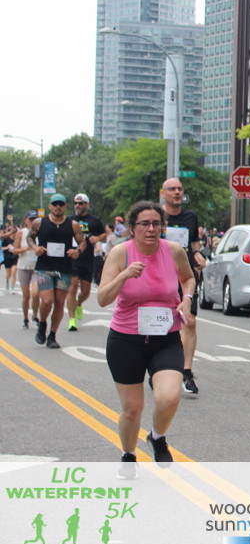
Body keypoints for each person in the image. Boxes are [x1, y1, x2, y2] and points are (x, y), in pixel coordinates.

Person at [97, 201, 196, 478]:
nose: (151, 229)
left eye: (156, 224)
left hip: (165, 338)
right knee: (132, 409)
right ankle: (129, 455)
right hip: (125, 340)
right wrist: (124, 275)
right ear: (132, 229)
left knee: (169, 396)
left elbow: (188, 278)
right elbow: (103, 298)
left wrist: (187, 300)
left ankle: (157, 436)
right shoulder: (121, 253)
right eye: (145, 224)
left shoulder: (173, 251)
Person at [161, 178, 202, 395]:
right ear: (163, 193)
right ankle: (159, 367)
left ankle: (186, 372)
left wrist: (198, 254)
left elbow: (193, 243)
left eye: (179, 189)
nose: (177, 192)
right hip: (160, 275)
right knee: (163, 323)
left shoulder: (190, 217)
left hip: (185, 275)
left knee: (190, 321)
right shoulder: (156, 216)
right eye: (172, 189)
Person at [30, 194, 85, 349]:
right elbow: (30, 237)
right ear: (50, 206)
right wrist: (35, 247)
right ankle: (42, 324)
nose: (58, 207)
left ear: (65, 207)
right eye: (55, 204)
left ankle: (52, 336)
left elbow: (82, 242)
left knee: (60, 303)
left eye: (61, 204)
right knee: (47, 301)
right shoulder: (39, 222)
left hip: (64, 269)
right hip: (44, 267)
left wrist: (77, 251)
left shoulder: (73, 224)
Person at [66, 193, 106, 332]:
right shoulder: (69, 220)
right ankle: (72, 320)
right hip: (72, 258)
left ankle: (78, 304)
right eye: (75, 203)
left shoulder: (94, 220)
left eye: (80, 203)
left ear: (86, 205)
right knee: (72, 287)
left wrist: (97, 238)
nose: (77, 205)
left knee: (85, 291)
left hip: (88, 258)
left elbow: (103, 234)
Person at [13, 211, 41, 329]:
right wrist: (27, 248)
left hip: (37, 267)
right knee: (26, 295)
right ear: (25, 220)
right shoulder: (21, 232)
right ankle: (25, 318)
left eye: (34, 219)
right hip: (23, 267)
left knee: (36, 293)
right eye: (30, 219)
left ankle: (35, 316)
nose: (32, 221)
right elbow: (15, 250)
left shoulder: (41, 232)